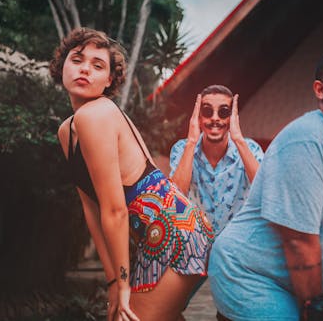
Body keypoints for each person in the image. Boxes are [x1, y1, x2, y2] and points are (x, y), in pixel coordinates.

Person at [208, 47, 323, 321]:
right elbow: (299, 241)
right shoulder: (307, 139)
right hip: (248, 273)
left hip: (294, 277)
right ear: (320, 90)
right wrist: (317, 311)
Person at [51, 28, 214, 321]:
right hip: (154, 240)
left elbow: (115, 211)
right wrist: (114, 281)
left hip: (177, 235)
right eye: (77, 59)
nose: (85, 68)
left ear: (109, 80)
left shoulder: (96, 114)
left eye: (98, 65)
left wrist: (122, 285)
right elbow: (92, 209)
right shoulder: (68, 130)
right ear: (63, 64)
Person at [169, 85, 264, 236]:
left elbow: (265, 191)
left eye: (223, 112)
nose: (215, 118)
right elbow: (175, 198)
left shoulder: (251, 149)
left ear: (232, 117)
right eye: (207, 111)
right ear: (199, 117)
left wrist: (238, 139)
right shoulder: (182, 149)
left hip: (235, 248)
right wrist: (192, 141)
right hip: (195, 246)